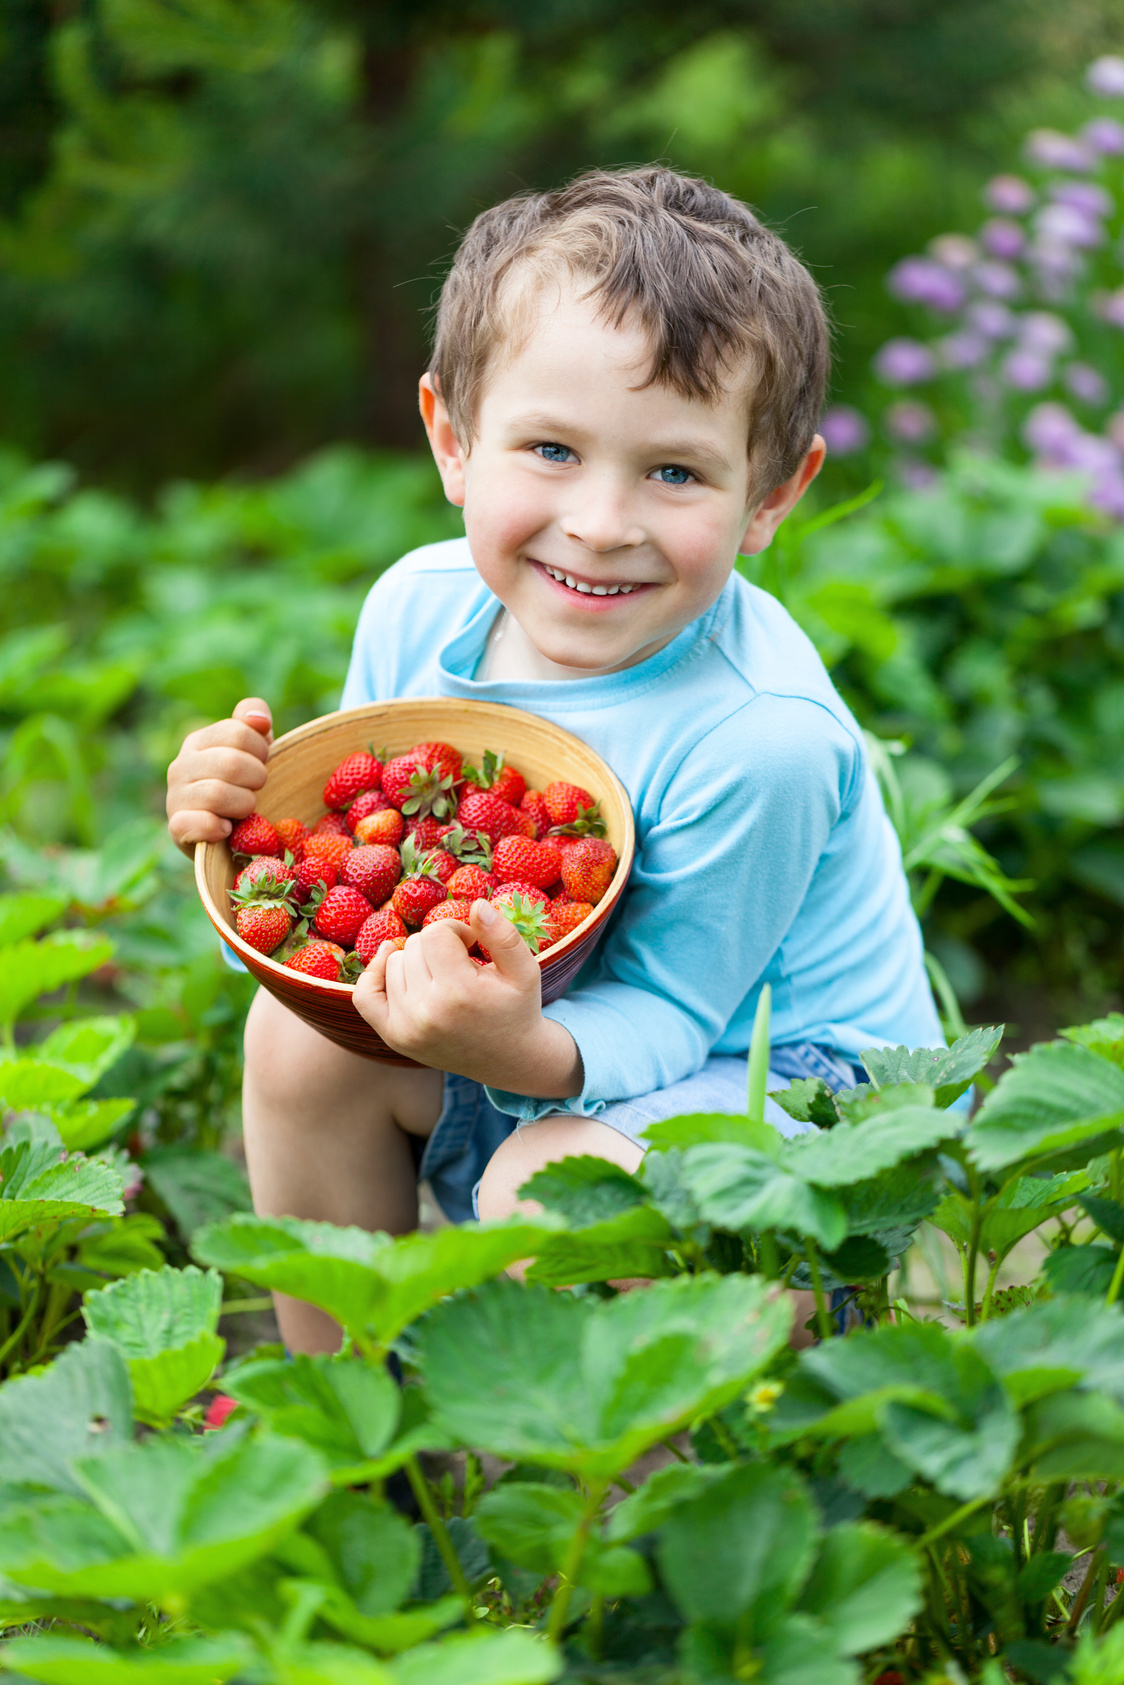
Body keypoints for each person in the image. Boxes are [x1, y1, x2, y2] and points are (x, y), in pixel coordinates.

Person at [166, 166, 941, 1354]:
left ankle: (620, 1500)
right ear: (452, 440)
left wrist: (509, 1051)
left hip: (785, 1094)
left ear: (772, 494)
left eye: (674, 471)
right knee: (295, 1040)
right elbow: (356, 868)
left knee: (550, 1188)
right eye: (549, 449)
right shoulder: (418, 611)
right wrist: (233, 818)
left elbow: (678, 1015)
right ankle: (356, 1428)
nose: (599, 521)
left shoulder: (760, 735)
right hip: (544, 1031)